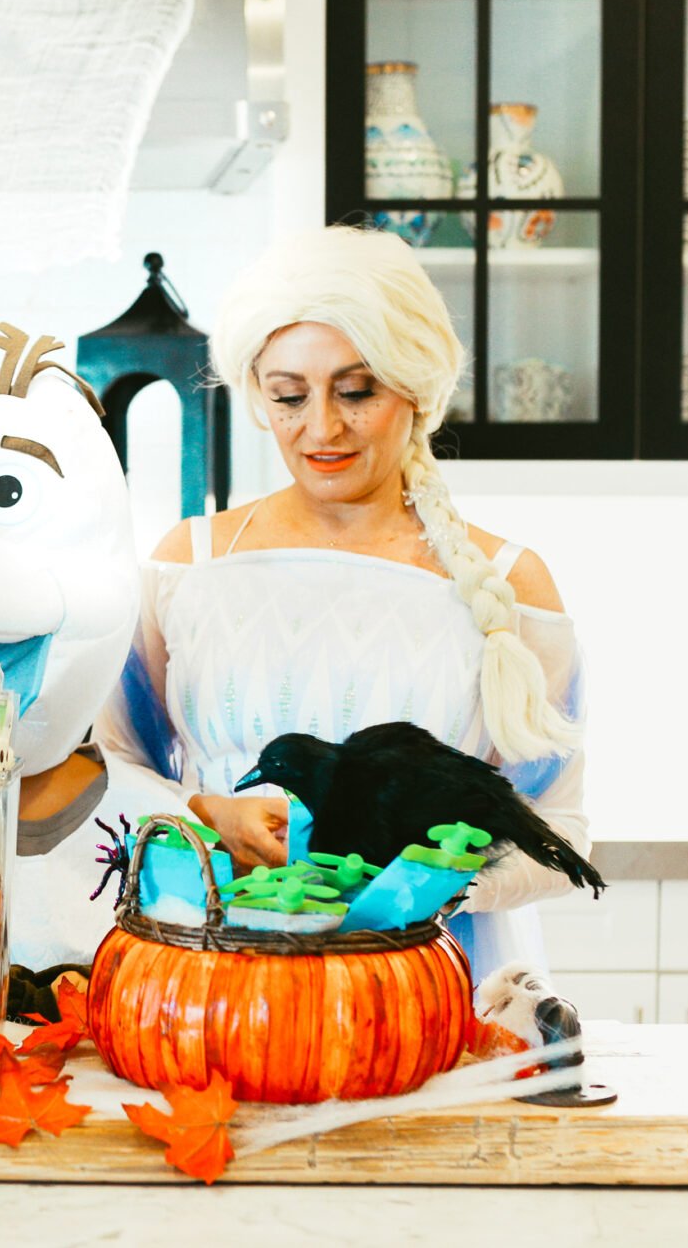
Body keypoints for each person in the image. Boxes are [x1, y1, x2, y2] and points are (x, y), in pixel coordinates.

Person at [96, 225, 588, 978]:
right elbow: (109, 770)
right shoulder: (188, 565)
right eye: (288, 395)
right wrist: (209, 814)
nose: (321, 427)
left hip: (427, 989)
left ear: (417, 389)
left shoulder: (509, 582)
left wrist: (419, 888)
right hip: (213, 981)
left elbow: (561, 831)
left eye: (357, 392)